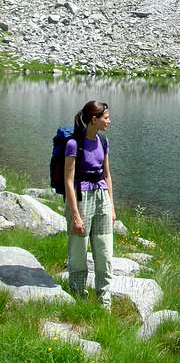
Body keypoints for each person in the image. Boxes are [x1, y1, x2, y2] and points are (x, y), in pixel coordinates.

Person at [64, 100, 115, 309]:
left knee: (104, 251)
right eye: (106, 117)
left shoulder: (103, 142)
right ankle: (78, 297)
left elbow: (107, 175)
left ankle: (105, 302)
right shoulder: (73, 144)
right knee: (78, 250)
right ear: (94, 119)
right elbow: (69, 180)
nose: (109, 121)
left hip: (102, 197)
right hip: (82, 198)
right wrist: (75, 214)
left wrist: (111, 205)